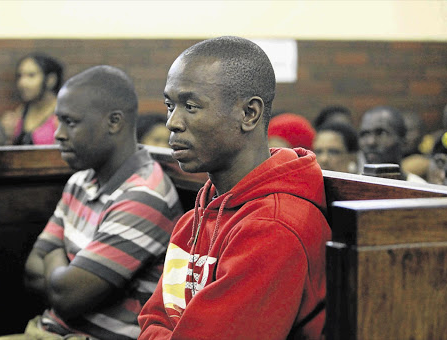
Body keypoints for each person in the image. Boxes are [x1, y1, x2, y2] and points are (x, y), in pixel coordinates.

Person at [138, 36, 331, 340]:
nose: (172, 122)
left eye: (190, 106)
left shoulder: (273, 227)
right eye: (169, 105)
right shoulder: (194, 220)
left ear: (249, 114)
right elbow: (152, 319)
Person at [0, 65, 183, 340]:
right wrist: (67, 276)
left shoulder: (145, 195)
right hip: (45, 330)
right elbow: (32, 270)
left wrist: (57, 253)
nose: (58, 134)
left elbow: (68, 298)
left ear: (114, 122)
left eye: (71, 122)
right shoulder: (81, 181)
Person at [1, 53, 64, 145]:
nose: (22, 83)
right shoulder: (21, 112)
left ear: (51, 80)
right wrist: (6, 135)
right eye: (20, 76)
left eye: (31, 75)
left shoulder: (62, 114)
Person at [358, 105, 426, 182]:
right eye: (365, 134)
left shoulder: (420, 189)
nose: (371, 142)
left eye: (381, 133)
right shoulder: (350, 187)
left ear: (403, 140)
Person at [401, 111, 429, 179]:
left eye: (410, 131)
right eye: (402, 131)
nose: (405, 137)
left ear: (422, 135)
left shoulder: (428, 164)